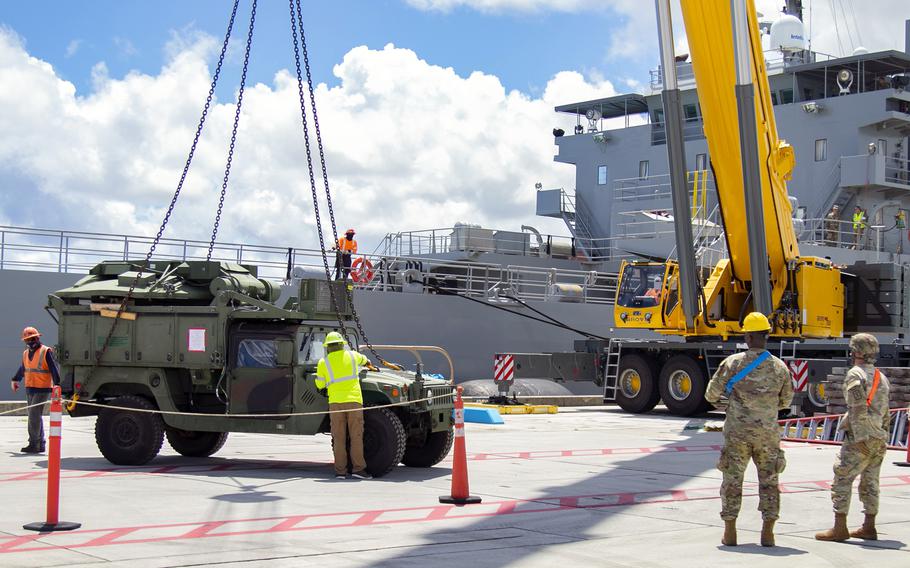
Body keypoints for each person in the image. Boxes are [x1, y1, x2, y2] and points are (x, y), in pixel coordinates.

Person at [704, 312, 794, 547]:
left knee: (733, 480)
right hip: (767, 435)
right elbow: (785, 402)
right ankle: (768, 532)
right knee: (769, 481)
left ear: (748, 336)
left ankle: (730, 531)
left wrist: (730, 403)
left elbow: (711, 394)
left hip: (738, 433)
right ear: (766, 335)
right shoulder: (780, 367)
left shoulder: (733, 363)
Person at [815, 333, 891, 542]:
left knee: (842, 477)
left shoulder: (855, 375)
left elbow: (857, 408)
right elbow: (886, 412)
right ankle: (869, 526)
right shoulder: (880, 377)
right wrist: (881, 436)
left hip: (860, 438)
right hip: (878, 437)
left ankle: (839, 528)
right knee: (871, 481)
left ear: (856, 351)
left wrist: (860, 439)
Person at [314, 332, 372, 480]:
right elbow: (366, 360)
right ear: (342, 344)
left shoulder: (323, 362)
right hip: (354, 401)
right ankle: (359, 470)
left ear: (328, 347)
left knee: (338, 438)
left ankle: (340, 472)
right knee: (356, 437)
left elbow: (320, 384)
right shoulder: (353, 356)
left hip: (335, 403)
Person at [10, 327, 61, 454]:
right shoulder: (26, 353)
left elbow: (54, 369)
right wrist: (15, 380)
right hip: (30, 387)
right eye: (28, 339)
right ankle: (40, 443)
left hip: (42, 388)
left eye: (32, 339)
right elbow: (23, 368)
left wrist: (57, 386)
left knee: (33, 416)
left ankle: (34, 443)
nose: (30, 341)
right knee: (35, 416)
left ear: (38, 338)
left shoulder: (45, 351)